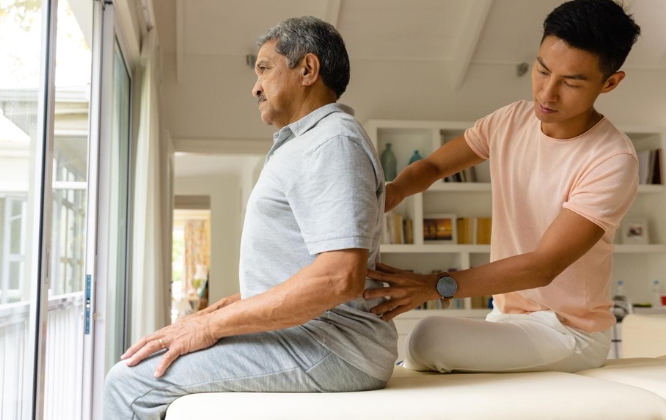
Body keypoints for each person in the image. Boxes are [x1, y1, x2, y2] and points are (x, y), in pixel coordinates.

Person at [103, 16, 397, 419]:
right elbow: (304, 269)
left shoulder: (333, 141)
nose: (255, 86)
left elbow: (339, 277)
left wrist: (209, 328)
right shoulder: (311, 142)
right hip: (312, 336)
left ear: (307, 70)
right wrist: (222, 310)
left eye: (264, 68)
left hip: (333, 346)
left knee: (129, 383)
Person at [365, 0, 641, 374]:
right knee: (416, 344)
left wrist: (435, 285)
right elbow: (432, 166)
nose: (547, 93)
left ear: (610, 82)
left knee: (427, 336)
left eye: (571, 82)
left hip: (569, 331)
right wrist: (392, 193)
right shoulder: (510, 120)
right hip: (506, 318)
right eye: (542, 70)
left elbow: (543, 266)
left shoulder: (612, 160)